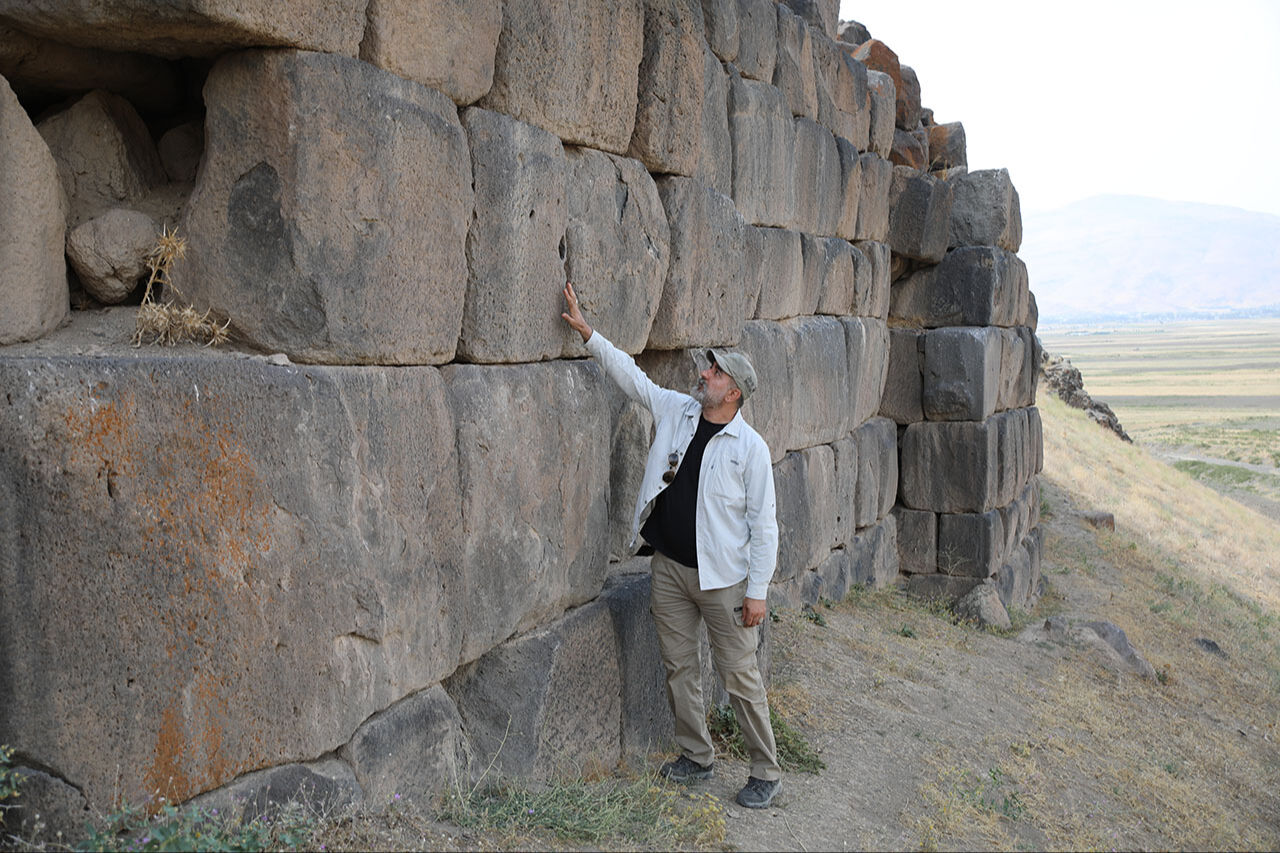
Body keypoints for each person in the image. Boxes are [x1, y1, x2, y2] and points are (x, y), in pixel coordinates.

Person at [561, 280, 782, 810]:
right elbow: (633, 380)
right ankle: (696, 757)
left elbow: (765, 525)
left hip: (724, 582)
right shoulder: (679, 411)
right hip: (670, 571)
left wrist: (757, 592)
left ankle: (766, 771)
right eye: (709, 368)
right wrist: (590, 334)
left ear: (734, 392)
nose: (704, 373)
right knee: (679, 666)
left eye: (716, 372)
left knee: (740, 677)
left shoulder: (750, 449)